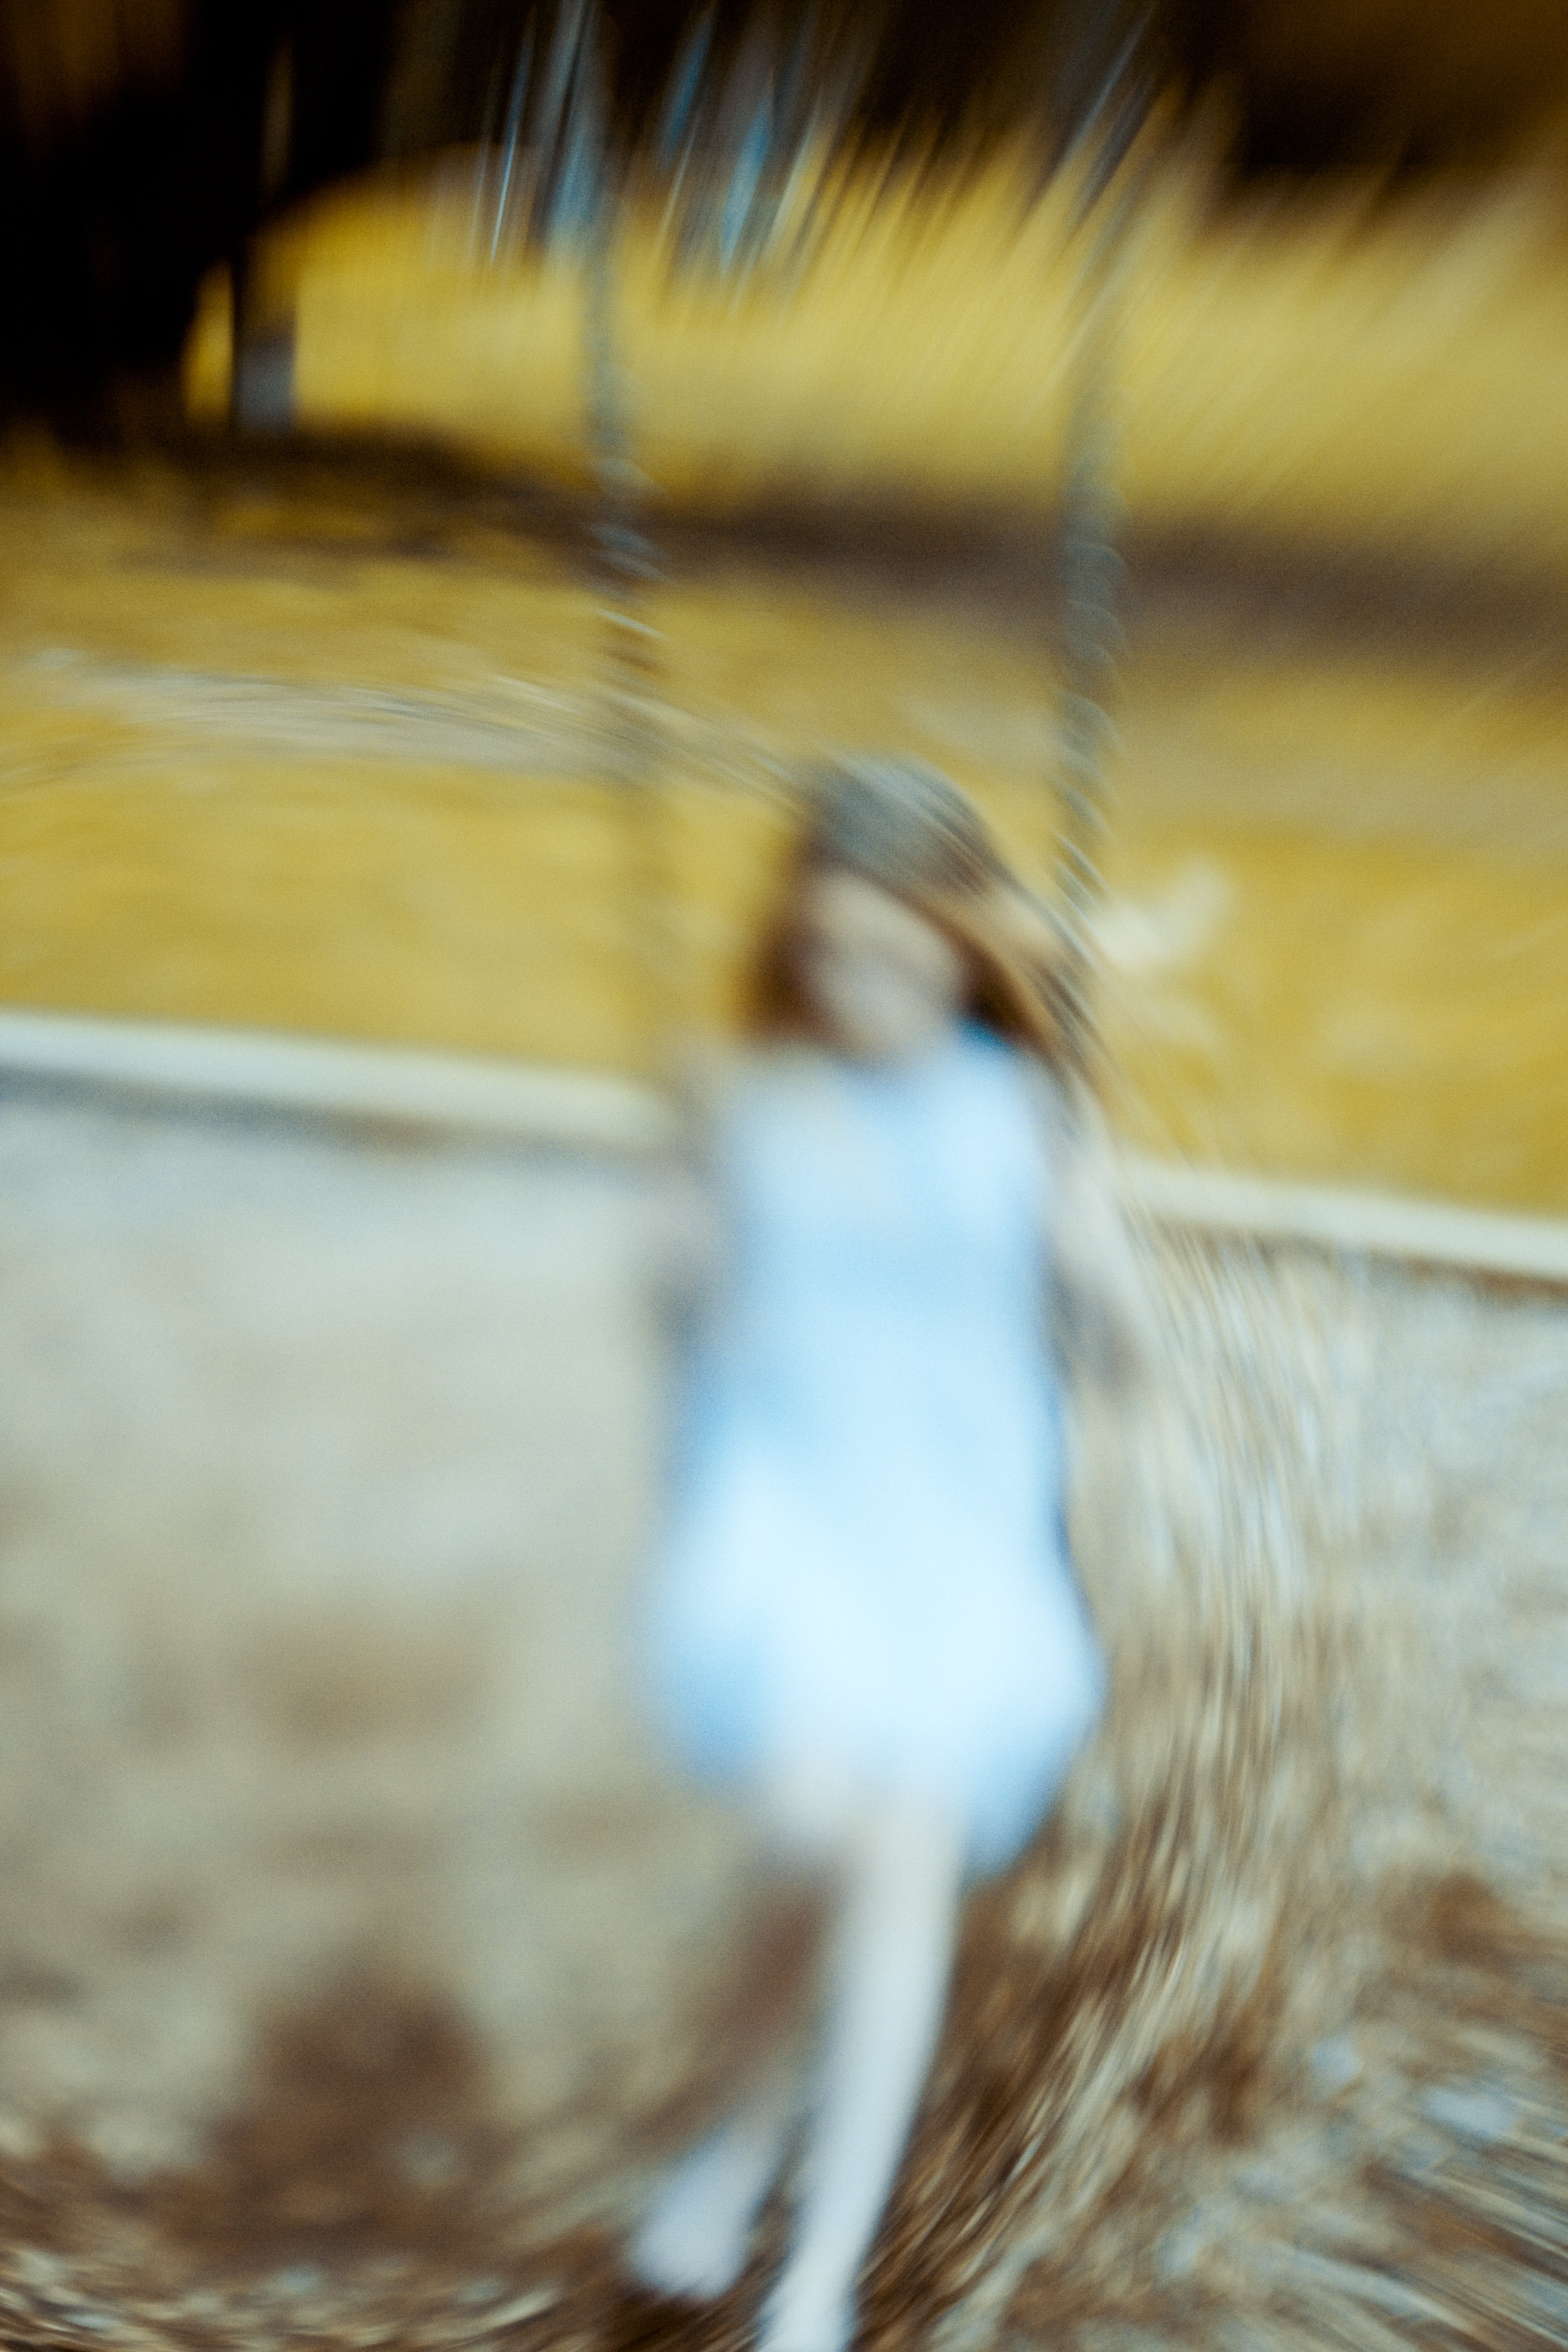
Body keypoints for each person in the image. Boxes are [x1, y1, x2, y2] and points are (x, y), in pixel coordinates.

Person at [631, 756, 1153, 2352]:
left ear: (958, 951)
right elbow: (686, 1342)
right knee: (806, 1831)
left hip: (954, 1550)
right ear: (794, 944)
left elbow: (1119, 1366)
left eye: (896, 955)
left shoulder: (1027, 1119)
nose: (859, 987)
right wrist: (676, 1273)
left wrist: (1089, 1265)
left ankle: (817, 2275)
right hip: (786, 1525)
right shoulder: (743, 1101)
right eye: (829, 952)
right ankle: (730, 2133)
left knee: (901, 1847)